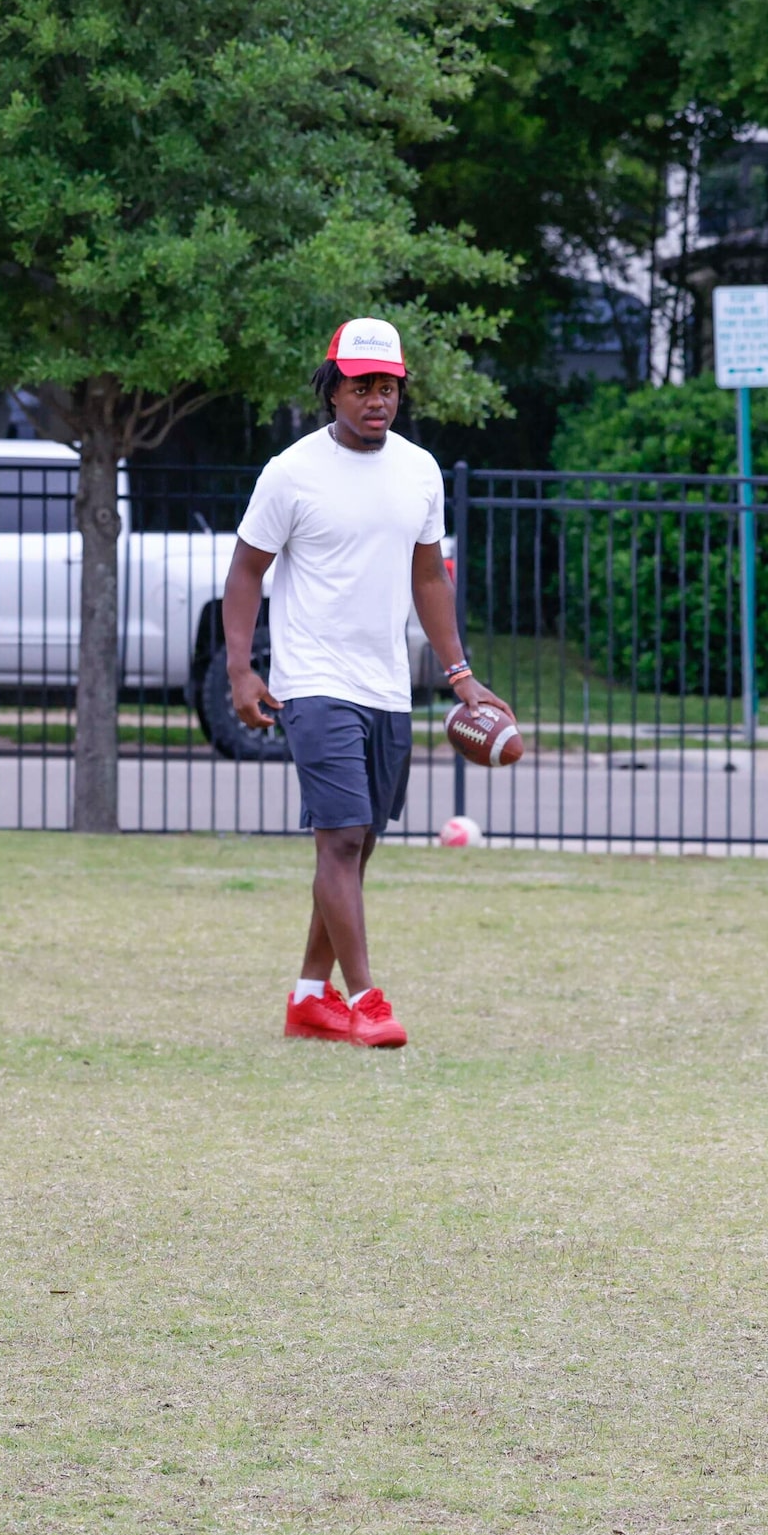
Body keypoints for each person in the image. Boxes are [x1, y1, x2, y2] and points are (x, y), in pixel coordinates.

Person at [220, 318, 510, 1048]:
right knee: (342, 837)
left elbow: (427, 579)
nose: (375, 400)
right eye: (360, 386)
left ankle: (310, 998)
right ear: (333, 389)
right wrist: (239, 667)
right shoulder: (290, 472)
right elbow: (246, 572)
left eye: (387, 387)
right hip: (312, 682)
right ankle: (367, 1001)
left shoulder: (419, 470)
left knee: (356, 844)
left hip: (386, 687)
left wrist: (461, 676)